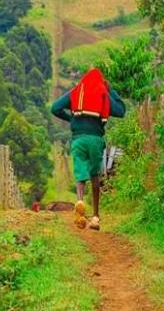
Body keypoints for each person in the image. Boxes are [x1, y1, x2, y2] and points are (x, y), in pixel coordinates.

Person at [50, 69, 125, 231]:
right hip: (95, 139)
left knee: (80, 174)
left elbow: (55, 108)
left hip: (78, 139)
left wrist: (72, 118)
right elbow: (121, 111)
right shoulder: (103, 92)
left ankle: (80, 202)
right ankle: (96, 217)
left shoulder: (77, 91)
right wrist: (110, 90)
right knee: (95, 175)